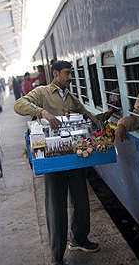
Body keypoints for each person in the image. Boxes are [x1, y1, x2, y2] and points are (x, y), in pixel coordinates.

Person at [14, 60, 115, 265]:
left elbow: (88, 118)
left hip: (74, 154)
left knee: (81, 200)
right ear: (56, 74)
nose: (70, 77)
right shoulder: (42, 93)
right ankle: (57, 254)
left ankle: (79, 238)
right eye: (67, 74)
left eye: (71, 74)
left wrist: (106, 117)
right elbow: (19, 104)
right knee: (56, 206)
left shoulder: (70, 96)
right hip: (54, 159)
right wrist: (42, 112)